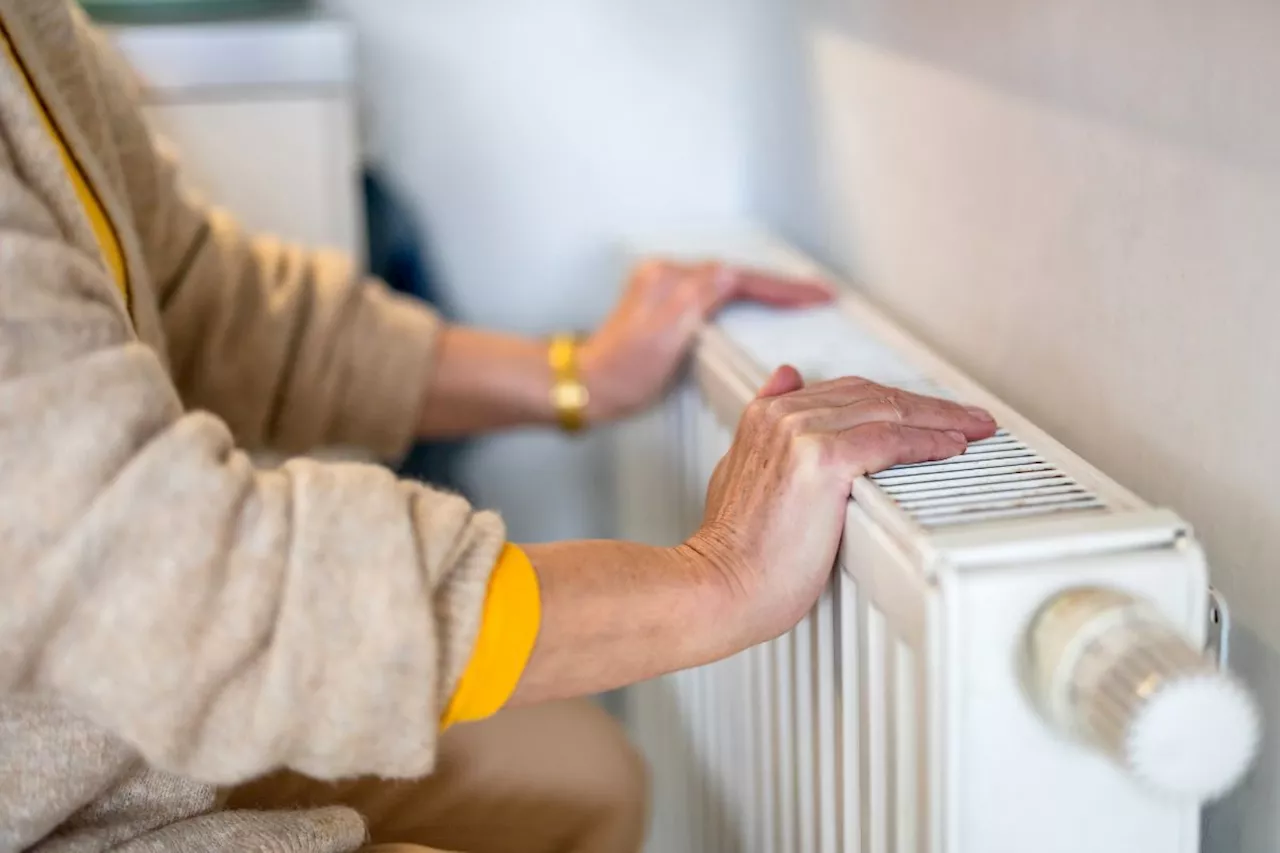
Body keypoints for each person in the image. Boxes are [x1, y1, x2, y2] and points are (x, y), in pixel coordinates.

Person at [0, 2, 997, 851]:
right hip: (51, 801)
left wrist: (575, 377)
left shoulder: (31, 30)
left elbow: (204, 303)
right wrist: (713, 580)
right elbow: (167, 578)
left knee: (589, 776)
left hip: (111, 724)